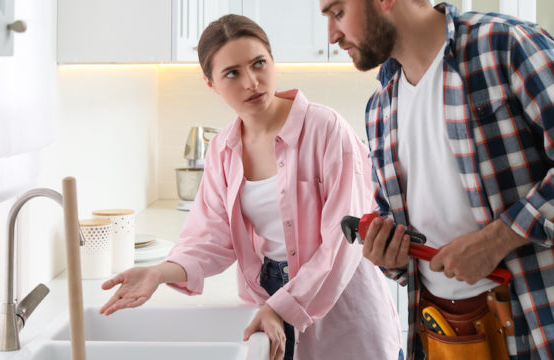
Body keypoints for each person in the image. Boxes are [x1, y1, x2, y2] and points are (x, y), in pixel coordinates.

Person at [319, 0, 554, 359]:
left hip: (545, 327)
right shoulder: (381, 105)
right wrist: (390, 254)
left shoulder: (505, 44)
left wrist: (497, 240)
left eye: (337, 12)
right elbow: (405, 228)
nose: (332, 34)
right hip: (446, 335)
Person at [99, 14, 401, 360]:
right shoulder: (223, 149)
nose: (252, 82)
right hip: (266, 299)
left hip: (341, 299)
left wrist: (283, 307)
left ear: (272, 61)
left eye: (259, 64)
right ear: (211, 83)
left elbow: (342, 241)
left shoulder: (326, 129)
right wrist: (158, 272)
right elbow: (210, 237)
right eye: (232, 73)